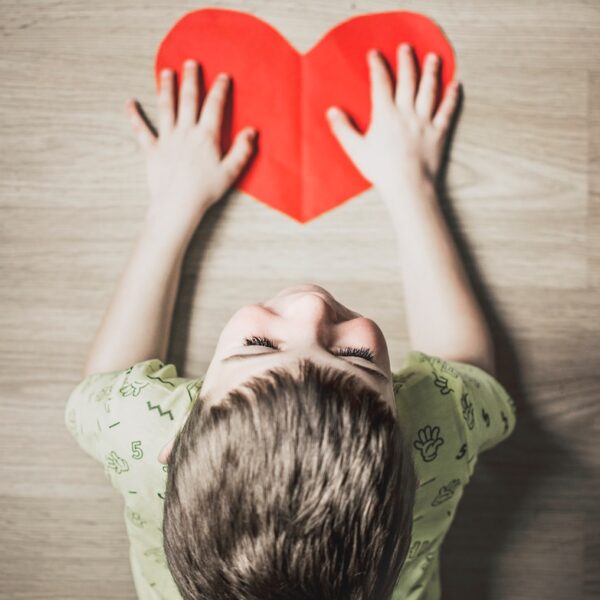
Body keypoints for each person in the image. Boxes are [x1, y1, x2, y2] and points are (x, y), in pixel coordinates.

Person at [65, 42, 517, 600]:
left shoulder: (138, 427)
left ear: (174, 440)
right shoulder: (435, 429)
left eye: (257, 345)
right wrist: (412, 185)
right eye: (355, 357)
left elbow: (100, 386)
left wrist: (171, 206)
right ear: (410, 439)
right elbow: (472, 373)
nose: (311, 307)